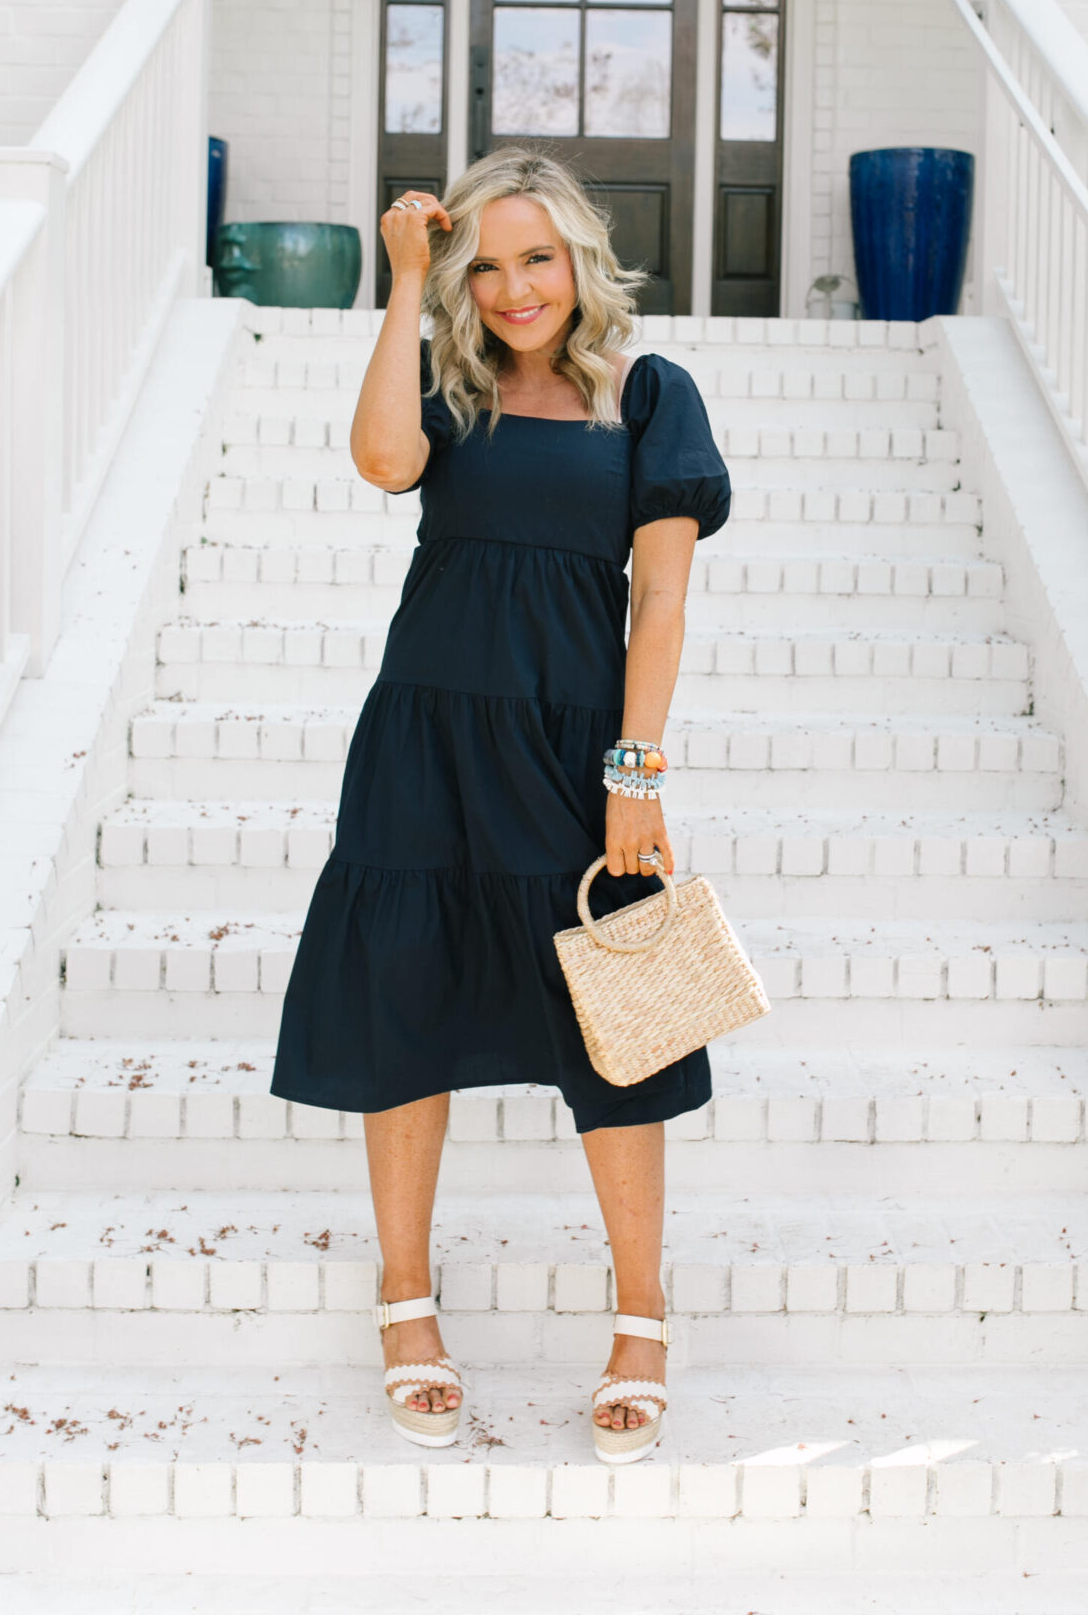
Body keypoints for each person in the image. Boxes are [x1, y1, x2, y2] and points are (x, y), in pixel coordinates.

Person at [271, 147, 731, 1464]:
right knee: (407, 1008)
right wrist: (406, 283)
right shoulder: (446, 383)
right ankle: (404, 1303)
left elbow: (663, 600)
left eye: (537, 257)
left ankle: (641, 1316)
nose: (516, 286)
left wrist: (636, 767)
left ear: (580, 258)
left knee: (619, 1031)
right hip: (423, 734)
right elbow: (376, 460)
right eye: (488, 263)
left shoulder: (650, 398)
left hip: (577, 752)